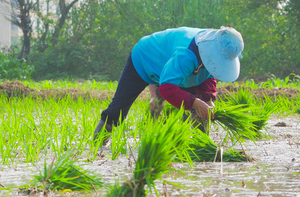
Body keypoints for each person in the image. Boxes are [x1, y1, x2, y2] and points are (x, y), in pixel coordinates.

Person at [94, 26, 244, 139]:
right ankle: (96, 146)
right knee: (118, 109)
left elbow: (209, 75)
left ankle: (199, 145)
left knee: (201, 107)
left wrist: (208, 99)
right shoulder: (187, 54)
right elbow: (167, 88)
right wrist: (195, 102)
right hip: (145, 58)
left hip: (174, 70)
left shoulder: (213, 53)